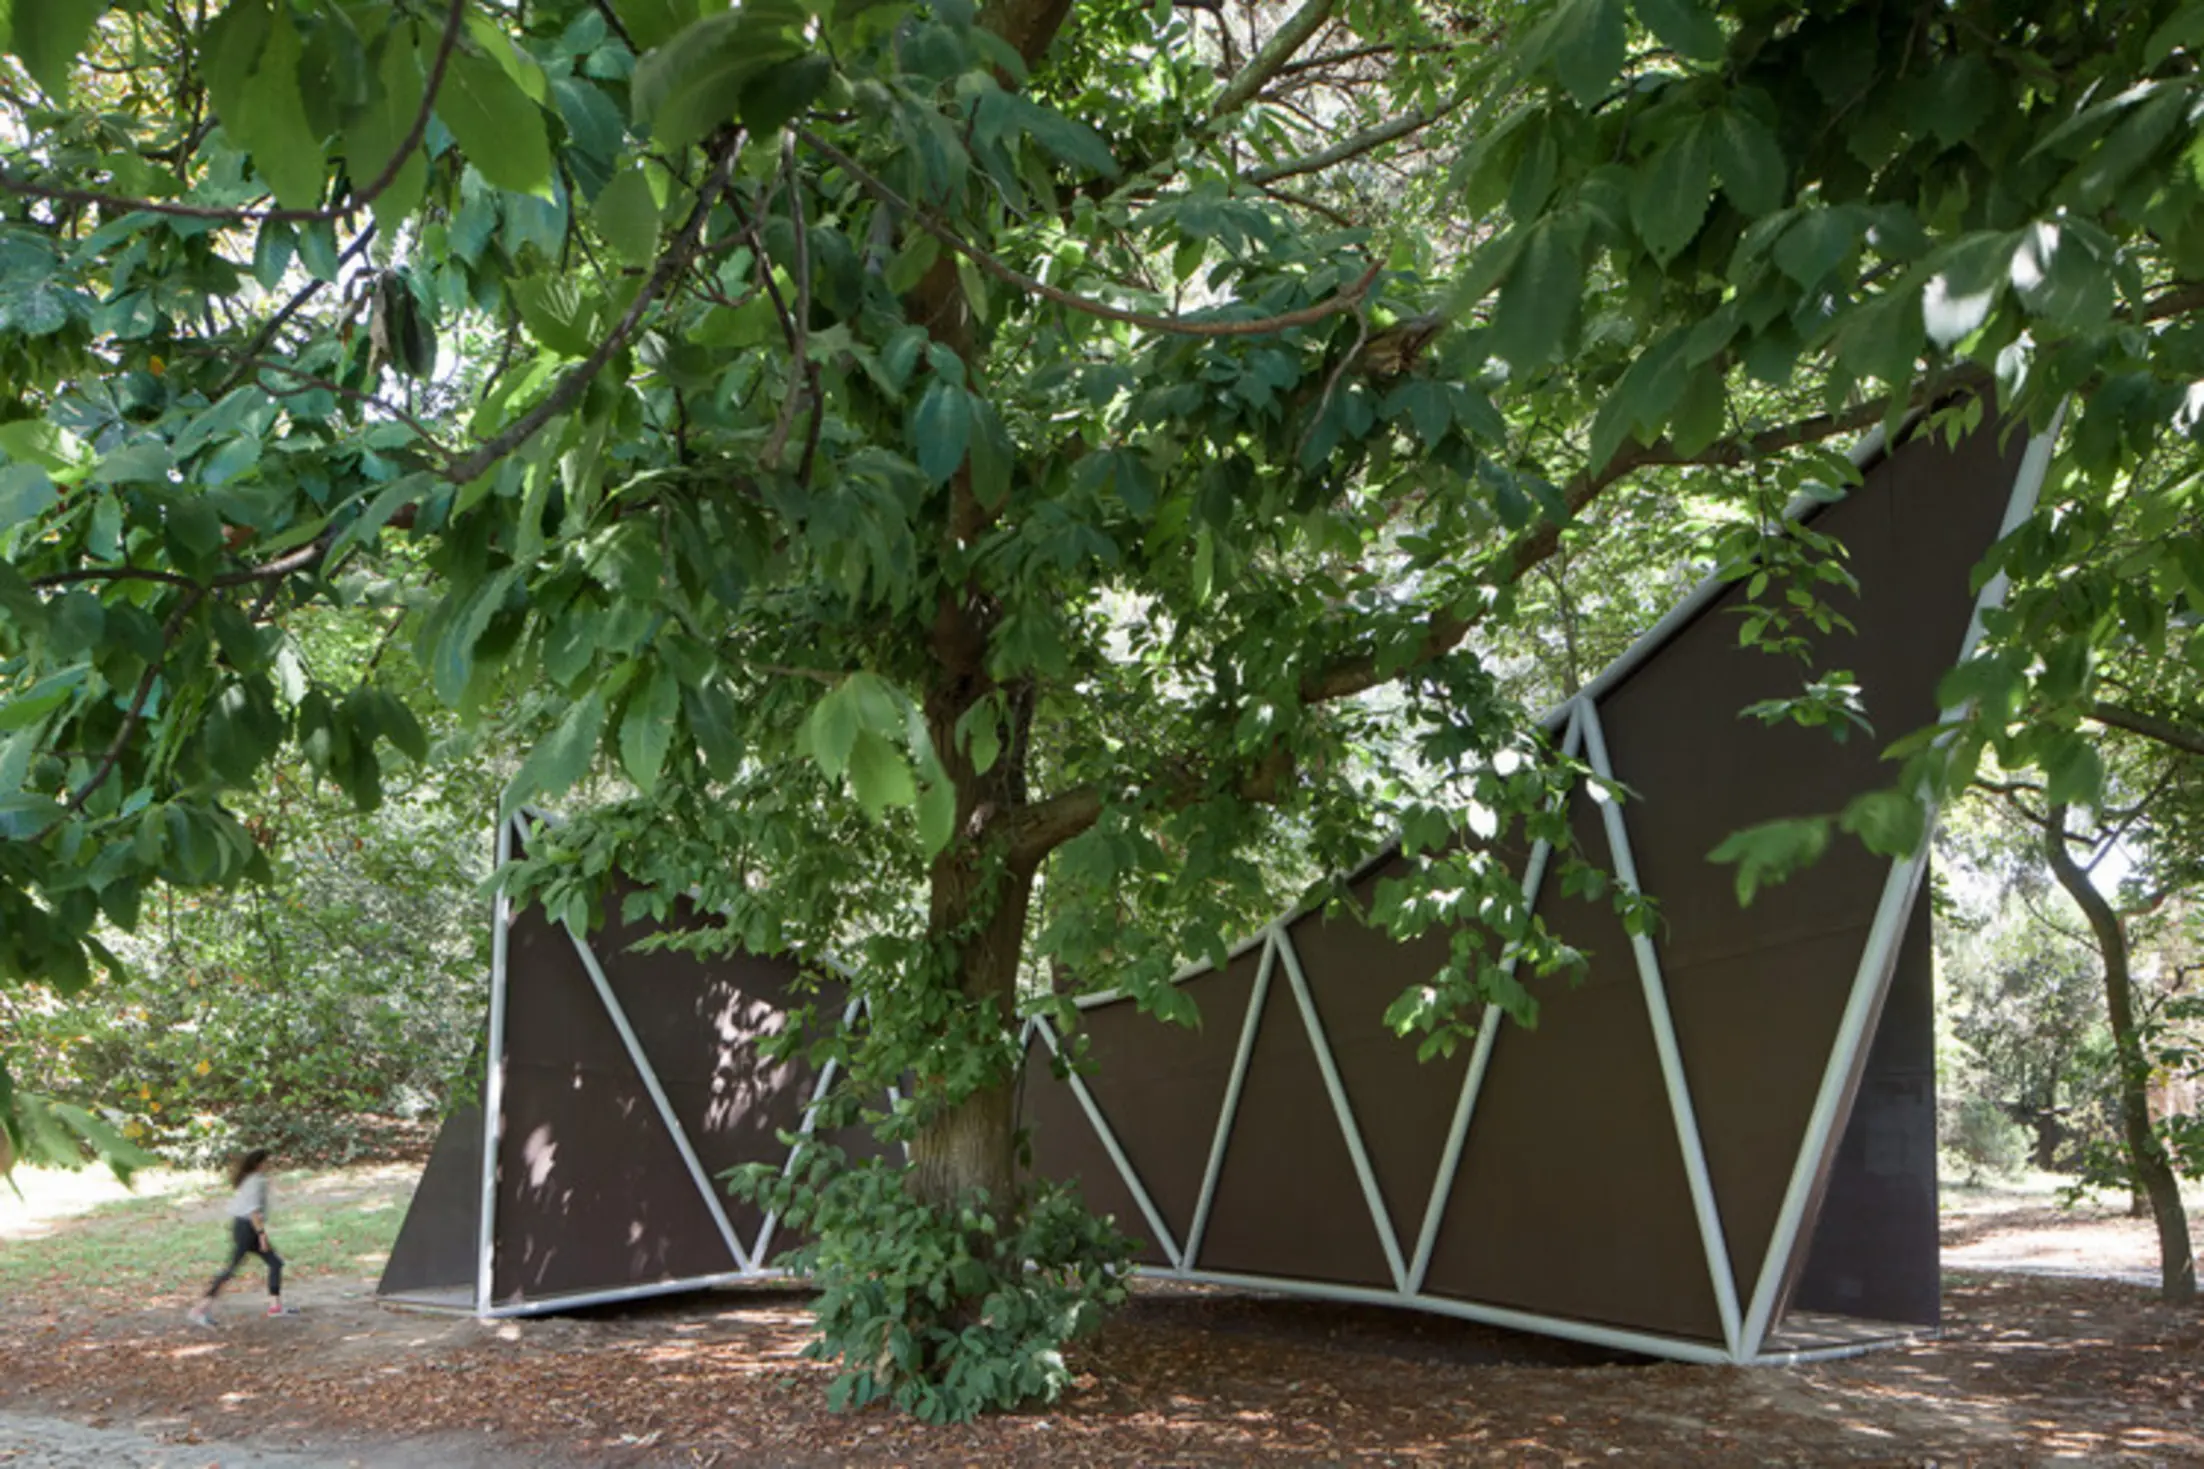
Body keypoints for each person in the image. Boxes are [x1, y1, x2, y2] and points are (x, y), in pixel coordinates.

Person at [187, 1148, 292, 1325]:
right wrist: (261, 1235)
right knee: (232, 1268)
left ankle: (275, 1307)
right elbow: (253, 1211)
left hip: (244, 1226)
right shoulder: (256, 1181)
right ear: (259, 1163)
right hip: (247, 1227)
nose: (271, 1165)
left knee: (275, 1263)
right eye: (268, 1161)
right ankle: (199, 1309)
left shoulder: (252, 1179)